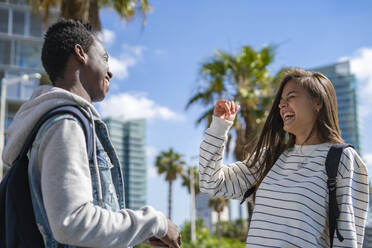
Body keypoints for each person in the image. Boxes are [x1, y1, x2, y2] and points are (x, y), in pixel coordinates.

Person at [2, 19, 181, 248]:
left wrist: (140, 233)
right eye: (105, 58)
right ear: (80, 53)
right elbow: (72, 222)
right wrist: (155, 223)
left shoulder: (59, 123)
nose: (111, 72)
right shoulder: (65, 124)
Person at [199, 68, 369, 247]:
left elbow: (347, 238)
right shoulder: (270, 157)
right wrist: (219, 126)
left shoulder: (342, 159)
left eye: (291, 97)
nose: (281, 106)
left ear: (317, 102)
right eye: (280, 102)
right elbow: (211, 183)